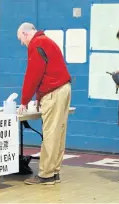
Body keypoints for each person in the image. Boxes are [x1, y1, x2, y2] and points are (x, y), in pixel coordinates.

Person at [17, 23, 71, 185]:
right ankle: (54, 171)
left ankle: (46, 174)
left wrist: (24, 101)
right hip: (63, 88)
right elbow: (47, 71)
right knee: (59, 133)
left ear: (26, 34)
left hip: (54, 92)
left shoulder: (36, 44)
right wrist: (40, 98)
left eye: (21, 39)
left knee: (50, 133)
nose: (22, 44)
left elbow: (33, 74)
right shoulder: (47, 41)